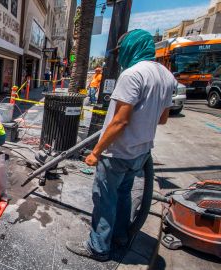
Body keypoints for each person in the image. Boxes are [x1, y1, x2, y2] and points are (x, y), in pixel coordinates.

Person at [65, 29, 176, 261]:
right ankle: (121, 236)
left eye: (120, 50)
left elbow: (120, 120)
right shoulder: (166, 76)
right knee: (124, 195)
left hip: (118, 151)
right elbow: (163, 118)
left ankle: (98, 247)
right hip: (142, 152)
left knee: (105, 198)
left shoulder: (132, 75)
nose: (119, 55)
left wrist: (96, 151)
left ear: (132, 47)